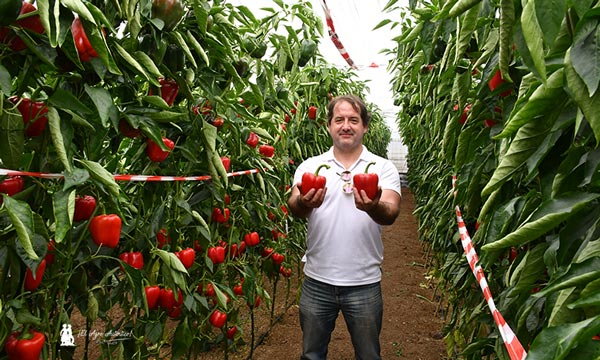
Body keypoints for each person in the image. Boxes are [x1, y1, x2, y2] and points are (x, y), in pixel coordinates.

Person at [287, 94, 402, 359]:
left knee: (368, 355)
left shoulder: (382, 169)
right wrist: (304, 202)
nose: (346, 125)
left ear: (365, 127)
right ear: (329, 126)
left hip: (364, 281)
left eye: (353, 119)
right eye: (339, 119)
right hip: (317, 280)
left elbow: (391, 212)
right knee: (311, 354)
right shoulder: (311, 167)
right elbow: (294, 206)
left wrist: (373, 206)